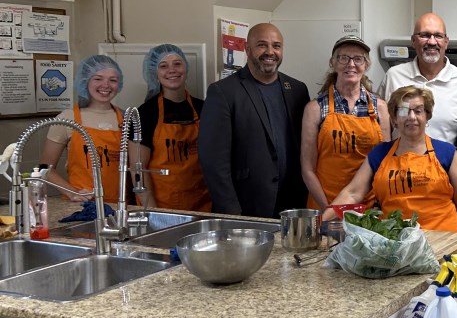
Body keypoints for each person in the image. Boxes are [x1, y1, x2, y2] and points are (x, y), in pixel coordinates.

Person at [198, 23, 310, 218]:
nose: (270, 52)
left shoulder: (297, 90)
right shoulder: (223, 92)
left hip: (292, 206)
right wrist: (231, 212)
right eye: (262, 45)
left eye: (276, 46)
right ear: (247, 49)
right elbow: (214, 162)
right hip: (247, 207)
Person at [324, 86, 457, 233]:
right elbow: (352, 193)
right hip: (393, 242)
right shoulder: (379, 154)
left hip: (444, 241)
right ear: (394, 118)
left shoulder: (446, 153)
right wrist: (321, 222)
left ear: (427, 116)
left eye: (418, 111)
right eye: (404, 111)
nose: (411, 117)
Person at [301, 35, 390, 210]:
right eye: (344, 58)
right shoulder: (315, 108)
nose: (351, 64)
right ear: (332, 63)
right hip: (325, 204)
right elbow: (308, 170)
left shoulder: (380, 108)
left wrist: (375, 206)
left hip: (369, 209)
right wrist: (329, 210)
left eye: (358, 59)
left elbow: (384, 165)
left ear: (366, 65)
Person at [378, 13, 457, 144]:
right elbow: (380, 127)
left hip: (448, 164)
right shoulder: (393, 77)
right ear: (413, 41)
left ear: (446, 42)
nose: (432, 41)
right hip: (399, 162)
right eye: (424, 35)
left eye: (438, 36)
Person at [130, 44, 211, 211]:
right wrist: (152, 211)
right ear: (154, 73)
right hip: (162, 207)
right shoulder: (144, 114)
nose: (172, 70)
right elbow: (138, 169)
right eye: (163, 66)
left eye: (177, 64)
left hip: (203, 204)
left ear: (186, 68)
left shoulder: (204, 108)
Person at [40, 55, 126, 203]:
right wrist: (73, 192)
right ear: (85, 81)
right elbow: (44, 168)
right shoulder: (67, 118)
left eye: (113, 80)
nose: (106, 85)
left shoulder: (126, 117)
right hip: (82, 205)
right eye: (98, 78)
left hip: (121, 205)